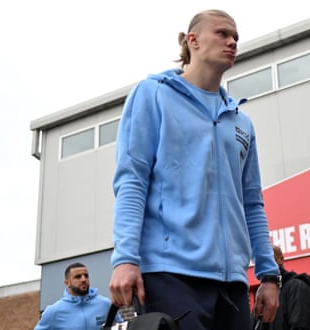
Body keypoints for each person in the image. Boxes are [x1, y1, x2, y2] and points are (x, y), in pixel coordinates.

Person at [108, 8, 280, 330]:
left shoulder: (241, 122)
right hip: (171, 274)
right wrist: (126, 259)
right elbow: (132, 180)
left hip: (232, 284)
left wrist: (269, 274)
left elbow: (252, 204)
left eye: (236, 37)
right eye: (222, 33)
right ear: (193, 40)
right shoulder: (153, 94)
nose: (232, 42)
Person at [35, 262, 120, 330]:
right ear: (67, 283)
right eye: (78, 277)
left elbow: (122, 326)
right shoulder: (53, 312)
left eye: (86, 276)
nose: (83, 279)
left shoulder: (106, 304)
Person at [268, 245, 310, 330]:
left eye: (269, 259)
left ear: (281, 259)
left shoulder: (296, 287)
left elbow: (301, 326)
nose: (265, 266)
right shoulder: (263, 297)